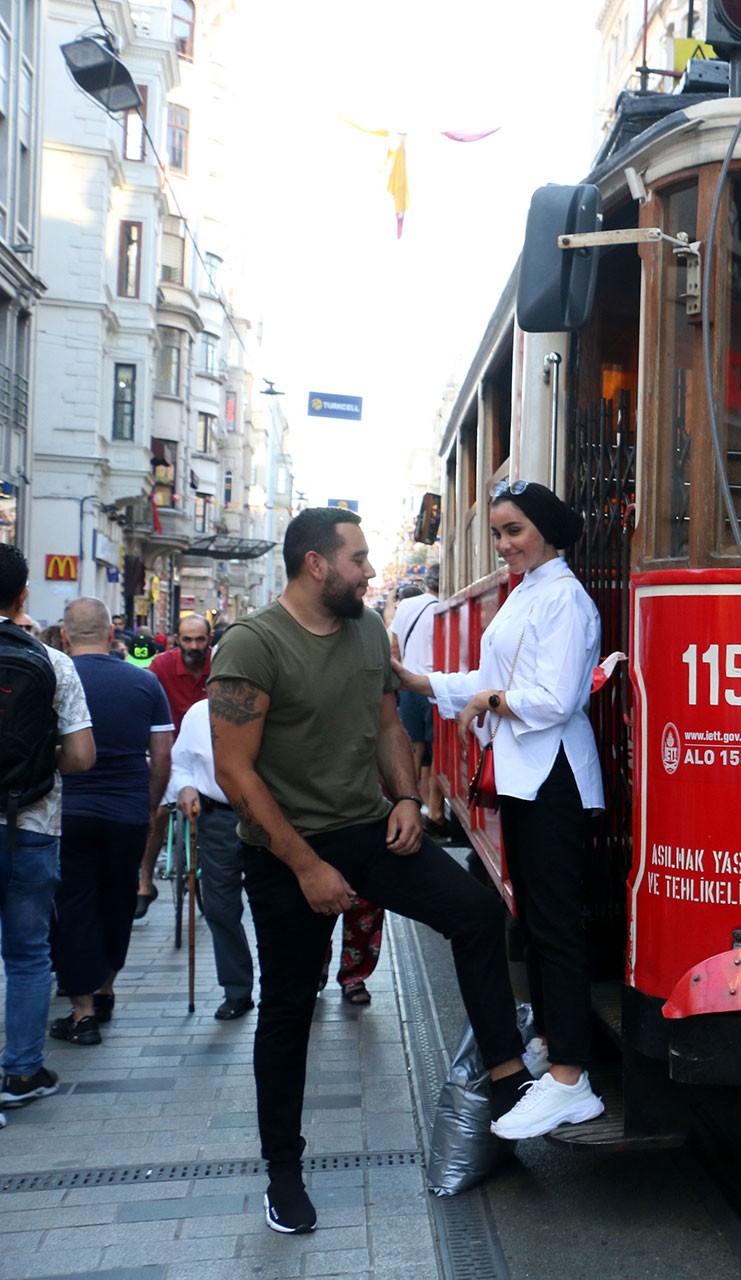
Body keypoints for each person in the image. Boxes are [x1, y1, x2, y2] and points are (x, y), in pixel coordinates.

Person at [210, 507, 528, 1235]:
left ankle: (508, 1083)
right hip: (283, 848)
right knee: (290, 1006)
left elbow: (387, 724)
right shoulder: (253, 646)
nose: (369, 571)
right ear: (316, 564)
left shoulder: (365, 632)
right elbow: (235, 771)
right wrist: (307, 866)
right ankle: (283, 1172)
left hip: (364, 831)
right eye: (357, 559)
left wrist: (409, 798)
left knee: (478, 914)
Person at [393, 481, 606, 1142]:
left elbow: (553, 700)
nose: (503, 544)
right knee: (539, 921)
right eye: (496, 533)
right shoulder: (532, 591)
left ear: (543, 529)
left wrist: (491, 703)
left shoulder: (564, 597)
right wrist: (420, 682)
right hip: (527, 776)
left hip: (552, 776)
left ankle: (572, 1081)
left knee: (555, 924)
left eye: (513, 530)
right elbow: (492, 680)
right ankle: (551, 1044)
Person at [48, 598, 172, 1045]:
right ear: (110, 633)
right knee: (117, 900)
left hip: (68, 813)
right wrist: (149, 806)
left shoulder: (54, 679)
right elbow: (162, 755)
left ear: (65, 635)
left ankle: (81, 1012)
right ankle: (105, 987)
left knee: (75, 905)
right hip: (126, 813)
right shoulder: (145, 683)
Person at [0, 545, 95, 1110]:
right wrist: (36, 764)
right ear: (23, 596)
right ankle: (20, 1073)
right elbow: (82, 756)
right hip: (30, 824)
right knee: (29, 954)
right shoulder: (53, 662)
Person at [165, 699, 253, 1019]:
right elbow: (180, 763)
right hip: (216, 817)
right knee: (219, 905)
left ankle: (281, 985)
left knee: (273, 902)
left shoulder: (272, 706)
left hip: (267, 815)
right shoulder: (199, 712)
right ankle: (237, 989)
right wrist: (186, 787)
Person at [136, 612, 213, 917]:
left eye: (200, 639)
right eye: (187, 639)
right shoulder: (162, 667)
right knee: (156, 811)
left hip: (207, 753)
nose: (194, 646)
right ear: (176, 640)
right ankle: (144, 882)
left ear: (209, 640)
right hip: (168, 753)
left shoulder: (219, 665)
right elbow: (143, 707)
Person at [389, 569, 446, 835]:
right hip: (437, 686)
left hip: (410, 684)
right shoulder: (444, 606)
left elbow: (394, 649)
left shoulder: (407, 606)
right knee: (438, 750)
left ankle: (408, 802)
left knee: (414, 747)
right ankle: (435, 809)